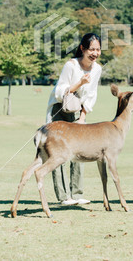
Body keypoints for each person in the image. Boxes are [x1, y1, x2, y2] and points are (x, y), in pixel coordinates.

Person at [46, 33, 102, 206]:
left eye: (98, 49)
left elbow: (91, 95)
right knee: (59, 153)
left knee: (79, 149)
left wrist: (82, 118)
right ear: (82, 49)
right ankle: (64, 197)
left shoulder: (97, 69)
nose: (95, 53)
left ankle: (77, 194)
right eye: (91, 49)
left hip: (78, 111)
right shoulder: (71, 66)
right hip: (60, 110)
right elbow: (59, 91)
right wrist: (80, 83)